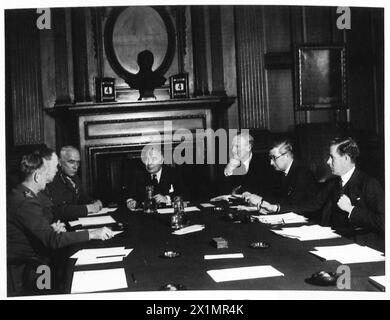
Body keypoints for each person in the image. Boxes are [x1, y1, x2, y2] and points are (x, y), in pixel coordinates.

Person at [7, 147, 113, 295]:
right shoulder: (27, 201)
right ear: (37, 176)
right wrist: (92, 233)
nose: (53, 175)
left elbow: (33, 228)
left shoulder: (21, 193)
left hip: (30, 261)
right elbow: (52, 240)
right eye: (46, 175)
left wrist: (49, 228)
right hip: (26, 269)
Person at [316, 137, 384, 247]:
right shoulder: (332, 184)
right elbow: (315, 206)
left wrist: (351, 209)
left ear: (346, 158)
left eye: (332, 157)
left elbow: (383, 222)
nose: (328, 162)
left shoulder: (368, 183)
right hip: (332, 243)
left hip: (360, 248)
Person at [243, 139, 318, 215]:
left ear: (286, 156)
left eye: (274, 158)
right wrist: (258, 199)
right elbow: (277, 198)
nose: (271, 162)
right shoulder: (281, 173)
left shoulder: (303, 173)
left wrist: (261, 200)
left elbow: (295, 205)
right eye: (270, 158)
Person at [45, 146, 103, 222]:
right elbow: (59, 210)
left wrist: (93, 202)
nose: (76, 167)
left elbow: (81, 197)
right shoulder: (53, 179)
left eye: (78, 162)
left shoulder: (73, 176)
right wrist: (88, 208)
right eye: (71, 162)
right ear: (60, 162)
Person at [123, 144, 185, 210]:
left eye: (153, 158)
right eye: (146, 159)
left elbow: (184, 194)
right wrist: (130, 201)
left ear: (162, 160)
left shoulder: (173, 173)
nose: (149, 162)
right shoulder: (138, 174)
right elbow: (128, 193)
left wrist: (167, 199)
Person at [218, 132, 266, 197]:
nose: (233, 150)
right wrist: (229, 169)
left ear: (248, 148)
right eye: (232, 146)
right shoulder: (227, 163)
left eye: (237, 146)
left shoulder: (263, 164)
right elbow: (219, 192)